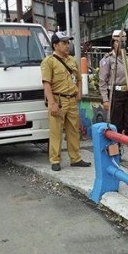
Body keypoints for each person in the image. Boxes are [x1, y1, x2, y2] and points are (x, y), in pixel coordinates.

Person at [41, 32, 91, 172]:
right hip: (58, 100)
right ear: (55, 45)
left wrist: (79, 92)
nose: (67, 45)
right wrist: (51, 103)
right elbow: (46, 84)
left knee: (73, 131)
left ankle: (75, 158)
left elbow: (79, 79)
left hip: (72, 100)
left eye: (67, 42)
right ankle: (55, 160)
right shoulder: (48, 62)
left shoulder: (71, 60)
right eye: (64, 43)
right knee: (56, 132)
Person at [99, 31, 128, 163]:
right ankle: (116, 152)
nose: (120, 44)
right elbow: (102, 82)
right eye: (117, 41)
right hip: (115, 94)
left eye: (122, 41)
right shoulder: (107, 60)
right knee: (116, 124)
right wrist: (105, 99)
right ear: (113, 42)